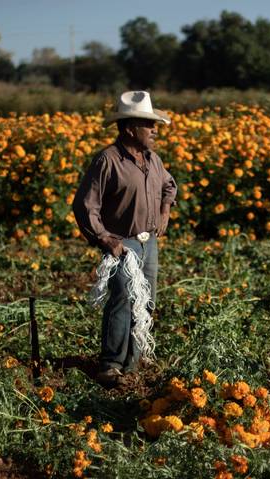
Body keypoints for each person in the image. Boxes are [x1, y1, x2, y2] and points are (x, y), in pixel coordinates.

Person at [72, 91, 177, 386]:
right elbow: (85, 204)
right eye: (148, 124)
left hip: (149, 242)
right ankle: (111, 364)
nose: (155, 130)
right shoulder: (108, 160)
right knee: (123, 299)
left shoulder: (152, 160)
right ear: (130, 127)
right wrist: (105, 238)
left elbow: (169, 186)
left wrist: (165, 210)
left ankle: (132, 363)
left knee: (147, 301)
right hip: (122, 243)